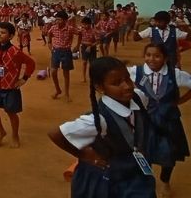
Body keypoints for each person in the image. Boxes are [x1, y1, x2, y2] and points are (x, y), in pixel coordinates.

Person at [47, 57, 156, 197]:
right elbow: (55, 133)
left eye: (127, 79)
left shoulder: (138, 97)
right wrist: (84, 154)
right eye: (116, 83)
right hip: (111, 179)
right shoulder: (98, 120)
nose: (127, 86)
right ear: (99, 87)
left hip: (133, 170)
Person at [129, 43, 191, 198]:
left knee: (168, 153)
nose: (152, 59)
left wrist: (180, 101)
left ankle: (165, 181)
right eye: (148, 55)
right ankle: (146, 181)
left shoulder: (174, 74)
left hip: (168, 120)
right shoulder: (136, 72)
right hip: (145, 121)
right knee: (143, 152)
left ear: (165, 58)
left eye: (157, 56)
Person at [0, 21, 36, 148]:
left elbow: (30, 63)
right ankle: (1, 132)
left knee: (11, 113)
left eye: (3, 32)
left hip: (11, 89)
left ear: (11, 36)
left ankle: (15, 135)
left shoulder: (16, 52)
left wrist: (24, 79)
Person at [46, 11, 77, 102]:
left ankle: (66, 93)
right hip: (56, 51)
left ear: (65, 20)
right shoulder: (53, 28)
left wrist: (78, 45)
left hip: (66, 51)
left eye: (59, 19)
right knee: (53, 72)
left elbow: (80, 33)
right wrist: (49, 45)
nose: (57, 21)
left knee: (66, 73)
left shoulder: (70, 29)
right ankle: (58, 90)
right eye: (56, 19)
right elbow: (49, 34)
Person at [76, 17, 98, 84]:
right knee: (84, 62)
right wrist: (77, 46)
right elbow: (79, 39)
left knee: (92, 64)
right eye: (83, 24)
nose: (84, 26)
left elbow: (98, 41)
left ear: (89, 24)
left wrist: (90, 46)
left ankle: (92, 77)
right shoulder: (81, 31)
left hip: (92, 48)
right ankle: (84, 77)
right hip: (84, 47)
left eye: (85, 24)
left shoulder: (94, 31)